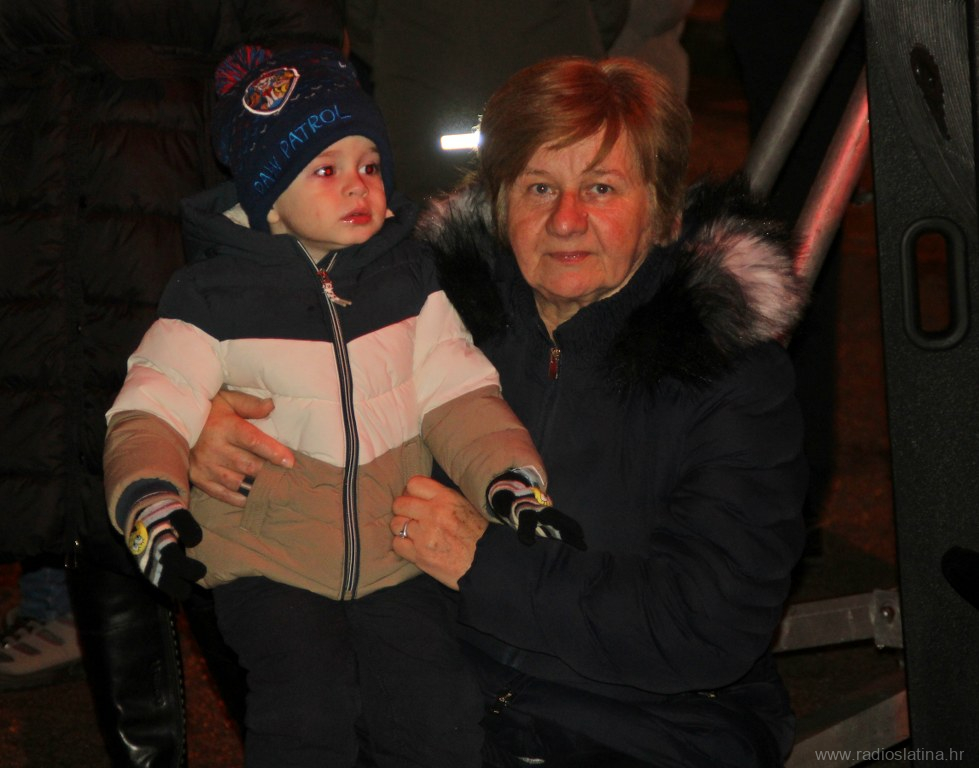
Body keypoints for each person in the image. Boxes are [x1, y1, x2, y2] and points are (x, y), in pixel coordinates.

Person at [191, 55, 810, 766]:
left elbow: (705, 625)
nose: (566, 220)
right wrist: (215, 425)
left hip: (646, 724)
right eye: (539, 187)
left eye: (601, 188)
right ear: (497, 202)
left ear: (664, 214)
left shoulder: (728, 375)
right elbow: (251, 362)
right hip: (436, 694)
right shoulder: (420, 315)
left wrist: (482, 562)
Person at [103, 44, 583, 768]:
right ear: (269, 196)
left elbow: (461, 395)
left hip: (397, 552)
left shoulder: (410, 281)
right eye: (326, 170)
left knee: (437, 713)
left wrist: (510, 480)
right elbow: (150, 409)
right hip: (269, 560)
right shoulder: (210, 297)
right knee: (309, 711)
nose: (358, 186)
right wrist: (151, 502)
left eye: (370, 165)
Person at [0, 1, 344, 762]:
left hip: (189, 208)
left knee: (234, 527)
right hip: (41, 218)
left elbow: (300, 69)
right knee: (95, 505)